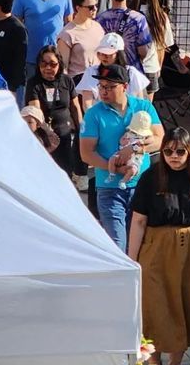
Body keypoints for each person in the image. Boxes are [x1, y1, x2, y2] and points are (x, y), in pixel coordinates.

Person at [127, 126, 190, 364]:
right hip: (156, 246)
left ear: (189, 151)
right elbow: (139, 220)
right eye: (168, 151)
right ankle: (153, 360)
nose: (174, 156)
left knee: (189, 304)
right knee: (155, 307)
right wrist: (131, 261)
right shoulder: (150, 177)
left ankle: (176, 362)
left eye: (180, 151)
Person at [79, 62, 163, 250]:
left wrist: (136, 148)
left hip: (142, 187)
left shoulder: (143, 107)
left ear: (125, 87)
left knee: (140, 246)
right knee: (118, 245)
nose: (104, 91)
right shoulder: (93, 114)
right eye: (101, 86)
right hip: (109, 189)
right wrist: (116, 167)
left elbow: (159, 139)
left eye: (110, 87)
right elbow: (86, 154)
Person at [12, 0, 74, 82]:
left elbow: (69, 24)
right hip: (31, 58)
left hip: (56, 59)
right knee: (31, 96)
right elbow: (15, 25)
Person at [25, 44, 81, 177]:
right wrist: (49, 134)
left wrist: (82, 129)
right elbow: (36, 112)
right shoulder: (34, 83)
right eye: (43, 64)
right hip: (45, 136)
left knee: (66, 174)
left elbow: (75, 107)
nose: (48, 68)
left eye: (52, 64)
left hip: (66, 135)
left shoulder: (67, 81)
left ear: (59, 64)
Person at [98, 0, 154, 80]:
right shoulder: (138, 19)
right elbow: (143, 51)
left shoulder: (100, 19)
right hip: (132, 73)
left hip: (107, 74)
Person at [77, 33, 150, 109]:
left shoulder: (132, 73)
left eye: (108, 54)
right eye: (101, 53)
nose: (103, 56)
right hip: (100, 118)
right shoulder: (91, 72)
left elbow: (139, 101)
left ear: (118, 54)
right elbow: (87, 103)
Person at [132, 0, 172, 94]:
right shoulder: (161, 16)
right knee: (147, 110)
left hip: (131, 68)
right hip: (151, 67)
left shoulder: (130, 14)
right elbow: (162, 46)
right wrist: (158, 67)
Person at [57, 0, 105, 80]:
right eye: (90, 7)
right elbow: (64, 68)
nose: (95, 9)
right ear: (78, 8)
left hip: (99, 80)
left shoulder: (98, 27)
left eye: (96, 5)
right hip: (78, 83)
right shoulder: (67, 34)